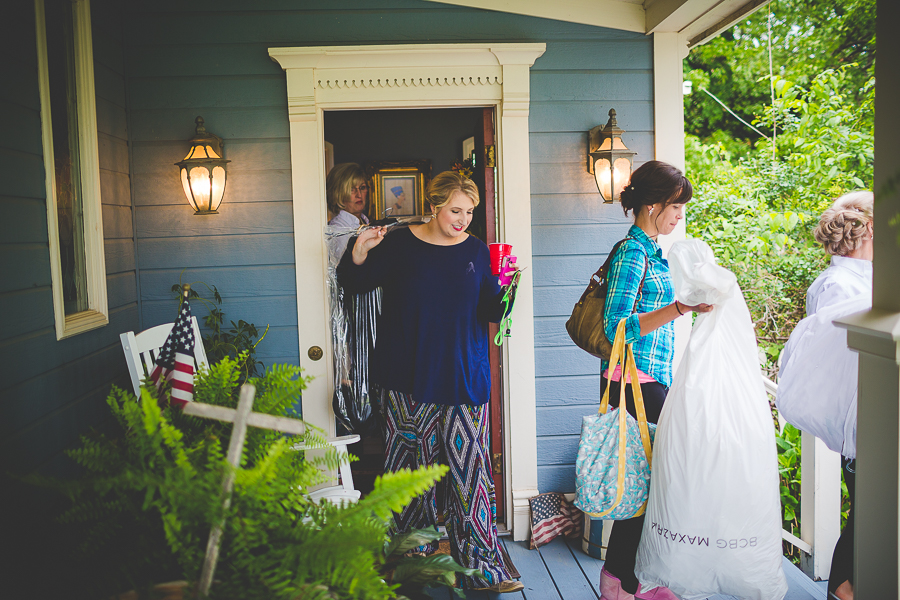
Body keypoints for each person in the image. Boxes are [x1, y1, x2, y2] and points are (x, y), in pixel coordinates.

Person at [337, 171, 522, 593]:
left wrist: (508, 284)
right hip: (408, 379)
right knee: (408, 472)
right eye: (456, 210)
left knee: (469, 473)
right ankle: (411, 561)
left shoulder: (476, 249)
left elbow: (493, 311)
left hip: (463, 379)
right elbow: (355, 283)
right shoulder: (401, 244)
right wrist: (360, 251)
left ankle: (479, 565)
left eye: (470, 212)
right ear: (434, 204)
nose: (463, 219)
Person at [597, 161, 713, 600]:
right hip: (634, 384)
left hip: (651, 380)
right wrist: (681, 308)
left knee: (648, 485)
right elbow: (617, 327)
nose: (679, 216)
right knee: (643, 486)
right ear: (652, 204)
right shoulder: (632, 252)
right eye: (676, 207)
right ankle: (620, 583)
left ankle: (631, 578)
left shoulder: (653, 249)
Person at [807, 191, 873, 600]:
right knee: (865, 518)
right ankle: (843, 591)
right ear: (866, 231)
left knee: (865, 518)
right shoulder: (838, 285)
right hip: (860, 417)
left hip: (866, 415)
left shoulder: (861, 278)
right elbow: (842, 360)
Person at [327, 163, 370, 260]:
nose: (359, 194)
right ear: (338, 193)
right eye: (352, 189)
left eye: (362, 188)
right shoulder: (338, 229)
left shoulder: (365, 221)